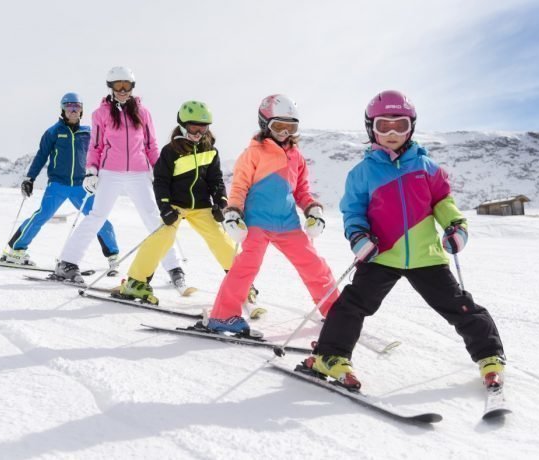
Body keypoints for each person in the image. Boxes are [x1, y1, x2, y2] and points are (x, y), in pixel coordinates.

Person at [303, 90, 506, 390]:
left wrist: (456, 226)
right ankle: (330, 356)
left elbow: (443, 203)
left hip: (427, 256)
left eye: (401, 125)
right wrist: (358, 238)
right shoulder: (362, 173)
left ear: (412, 127)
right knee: (352, 305)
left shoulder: (427, 168)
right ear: (371, 127)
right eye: (384, 125)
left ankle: (490, 357)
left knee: (460, 306)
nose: (393, 133)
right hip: (381, 254)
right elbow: (353, 211)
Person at [204, 94, 336, 334]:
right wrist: (233, 213)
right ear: (265, 124)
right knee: (246, 266)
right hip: (257, 221)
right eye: (279, 127)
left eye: (290, 127)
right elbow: (240, 186)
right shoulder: (253, 153)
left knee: (314, 265)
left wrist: (312, 209)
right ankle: (223, 315)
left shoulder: (296, 156)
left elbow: (301, 190)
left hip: (288, 223)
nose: (285, 133)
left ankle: (334, 309)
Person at [54, 66, 185, 285]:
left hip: (139, 172)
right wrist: (91, 171)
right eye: (118, 86)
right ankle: (67, 262)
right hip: (110, 172)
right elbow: (95, 146)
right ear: (111, 87)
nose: (122, 90)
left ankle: (174, 267)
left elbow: (151, 145)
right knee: (97, 216)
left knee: (153, 218)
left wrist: (161, 171)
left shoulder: (143, 113)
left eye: (126, 86)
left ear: (132, 87)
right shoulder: (101, 113)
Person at [119, 100, 255, 302]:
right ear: (182, 124)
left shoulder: (210, 150)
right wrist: (165, 207)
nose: (198, 132)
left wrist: (221, 202)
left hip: (201, 206)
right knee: (161, 238)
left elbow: (215, 180)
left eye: (203, 127)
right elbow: (161, 182)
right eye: (193, 127)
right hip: (175, 205)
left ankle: (241, 283)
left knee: (220, 239)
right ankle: (135, 282)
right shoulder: (170, 151)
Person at [0, 92, 119, 268]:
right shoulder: (53, 132)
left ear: (81, 110)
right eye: (69, 107)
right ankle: (16, 250)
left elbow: (100, 154)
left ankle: (113, 256)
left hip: (82, 186)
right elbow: (41, 156)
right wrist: (30, 178)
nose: (73, 111)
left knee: (98, 217)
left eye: (76, 107)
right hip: (58, 184)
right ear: (62, 110)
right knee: (42, 215)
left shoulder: (88, 133)